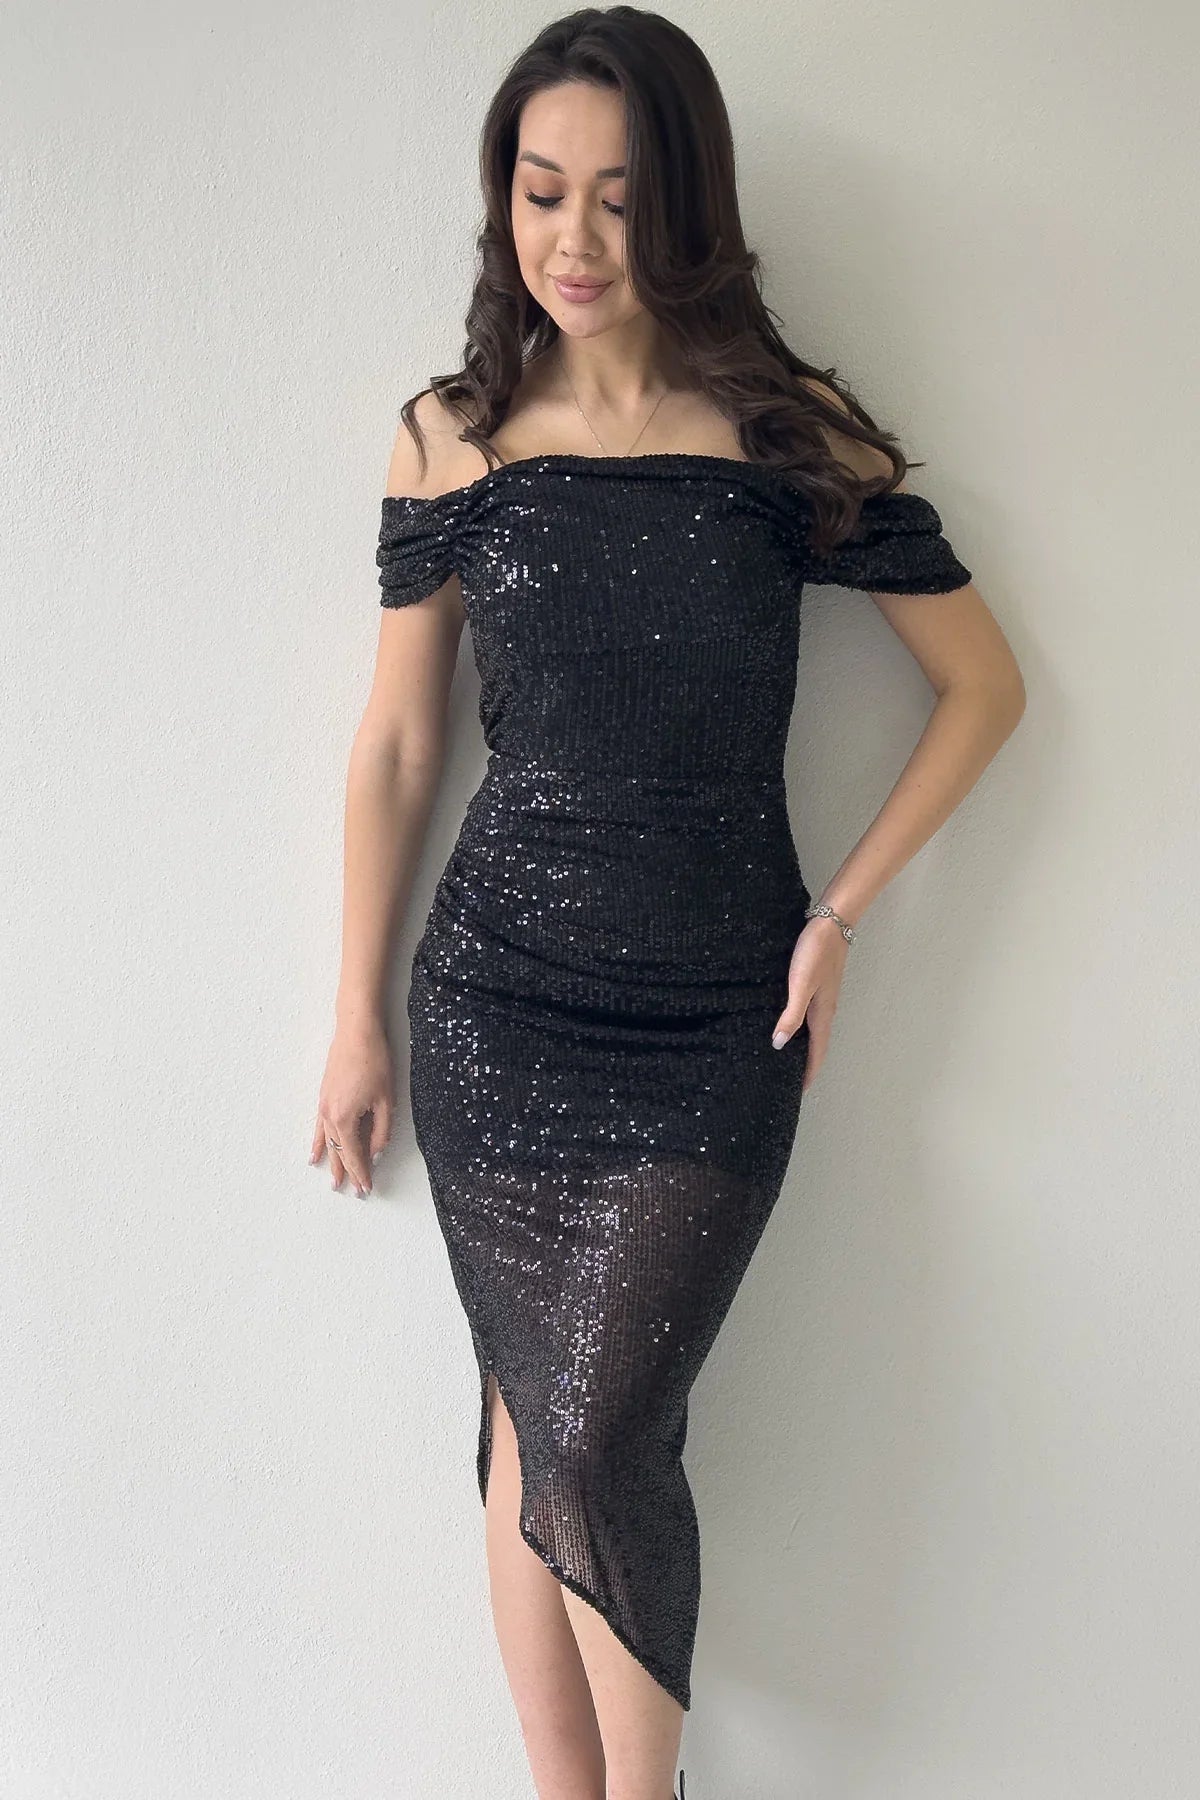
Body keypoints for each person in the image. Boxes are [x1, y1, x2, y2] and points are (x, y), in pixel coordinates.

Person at [310, 9, 1025, 1797]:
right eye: (541, 191)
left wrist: (839, 915)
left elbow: (985, 687)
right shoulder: (452, 436)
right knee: (526, 1424)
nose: (574, 238)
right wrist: (354, 1016)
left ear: (688, 208)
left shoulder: (784, 437)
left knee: (601, 1430)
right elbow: (397, 748)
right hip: (495, 1005)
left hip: (716, 1020)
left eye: (620, 200)